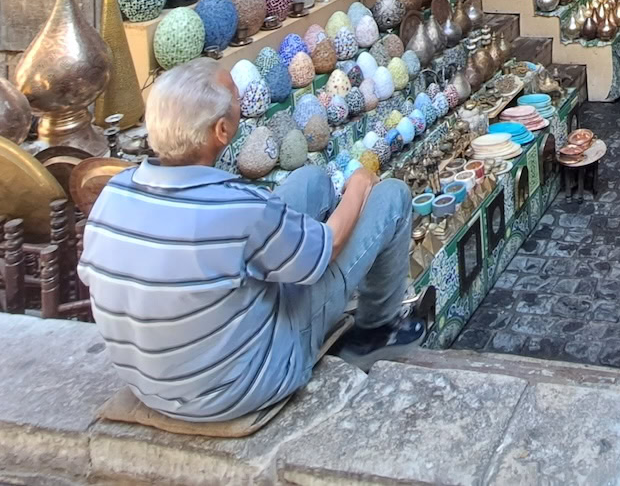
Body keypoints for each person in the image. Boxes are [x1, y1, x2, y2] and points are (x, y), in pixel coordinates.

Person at [78, 59, 417, 421]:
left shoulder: (114, 193)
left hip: (151, 386)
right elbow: (329, 246)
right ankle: (374, 333)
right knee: (391, 198)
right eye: (237, 100)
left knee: (312, 180)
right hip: (243, 382)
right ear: (222, 131)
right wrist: (359, 186)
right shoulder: (237, 208)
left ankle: (292, 265)